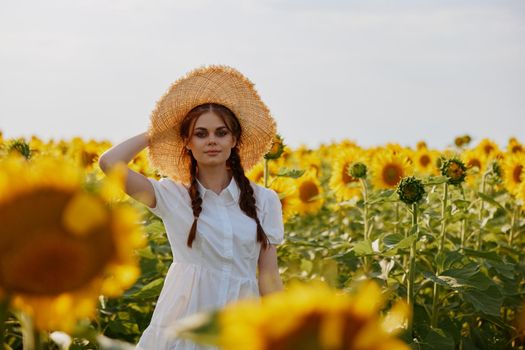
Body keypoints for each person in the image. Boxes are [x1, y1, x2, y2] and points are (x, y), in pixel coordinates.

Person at [98, 65, 285, 349]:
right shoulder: (171, 196)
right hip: (183, 327)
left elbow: (269, 278)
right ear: (187, 141)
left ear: (234, 141)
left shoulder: (265, 200)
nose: (211, 140)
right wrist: (159, 132)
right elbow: (110, 164)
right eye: (200, 133)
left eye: (221, 133)